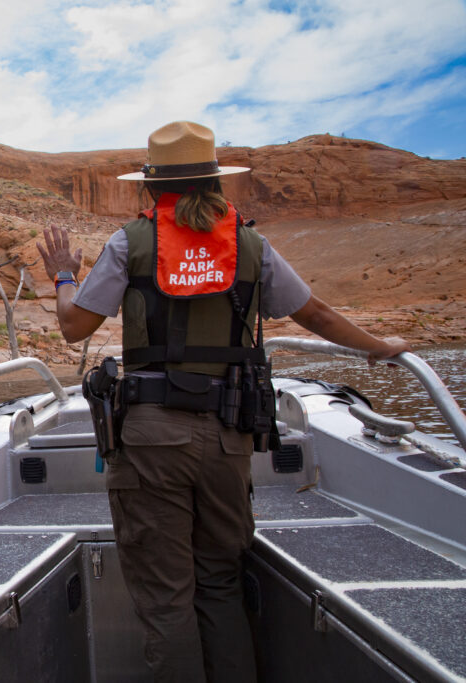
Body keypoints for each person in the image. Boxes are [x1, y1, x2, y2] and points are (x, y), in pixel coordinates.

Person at [38, 120, 410, 683]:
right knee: (219, 584)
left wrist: (64, 275)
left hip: (152, 439)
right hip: (229, 437)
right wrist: (379, 347)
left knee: (166, 598)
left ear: (152, 187)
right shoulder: (251, 244)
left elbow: (73, 327)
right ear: (215, 182)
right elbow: (316, 315)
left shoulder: (129, 242)